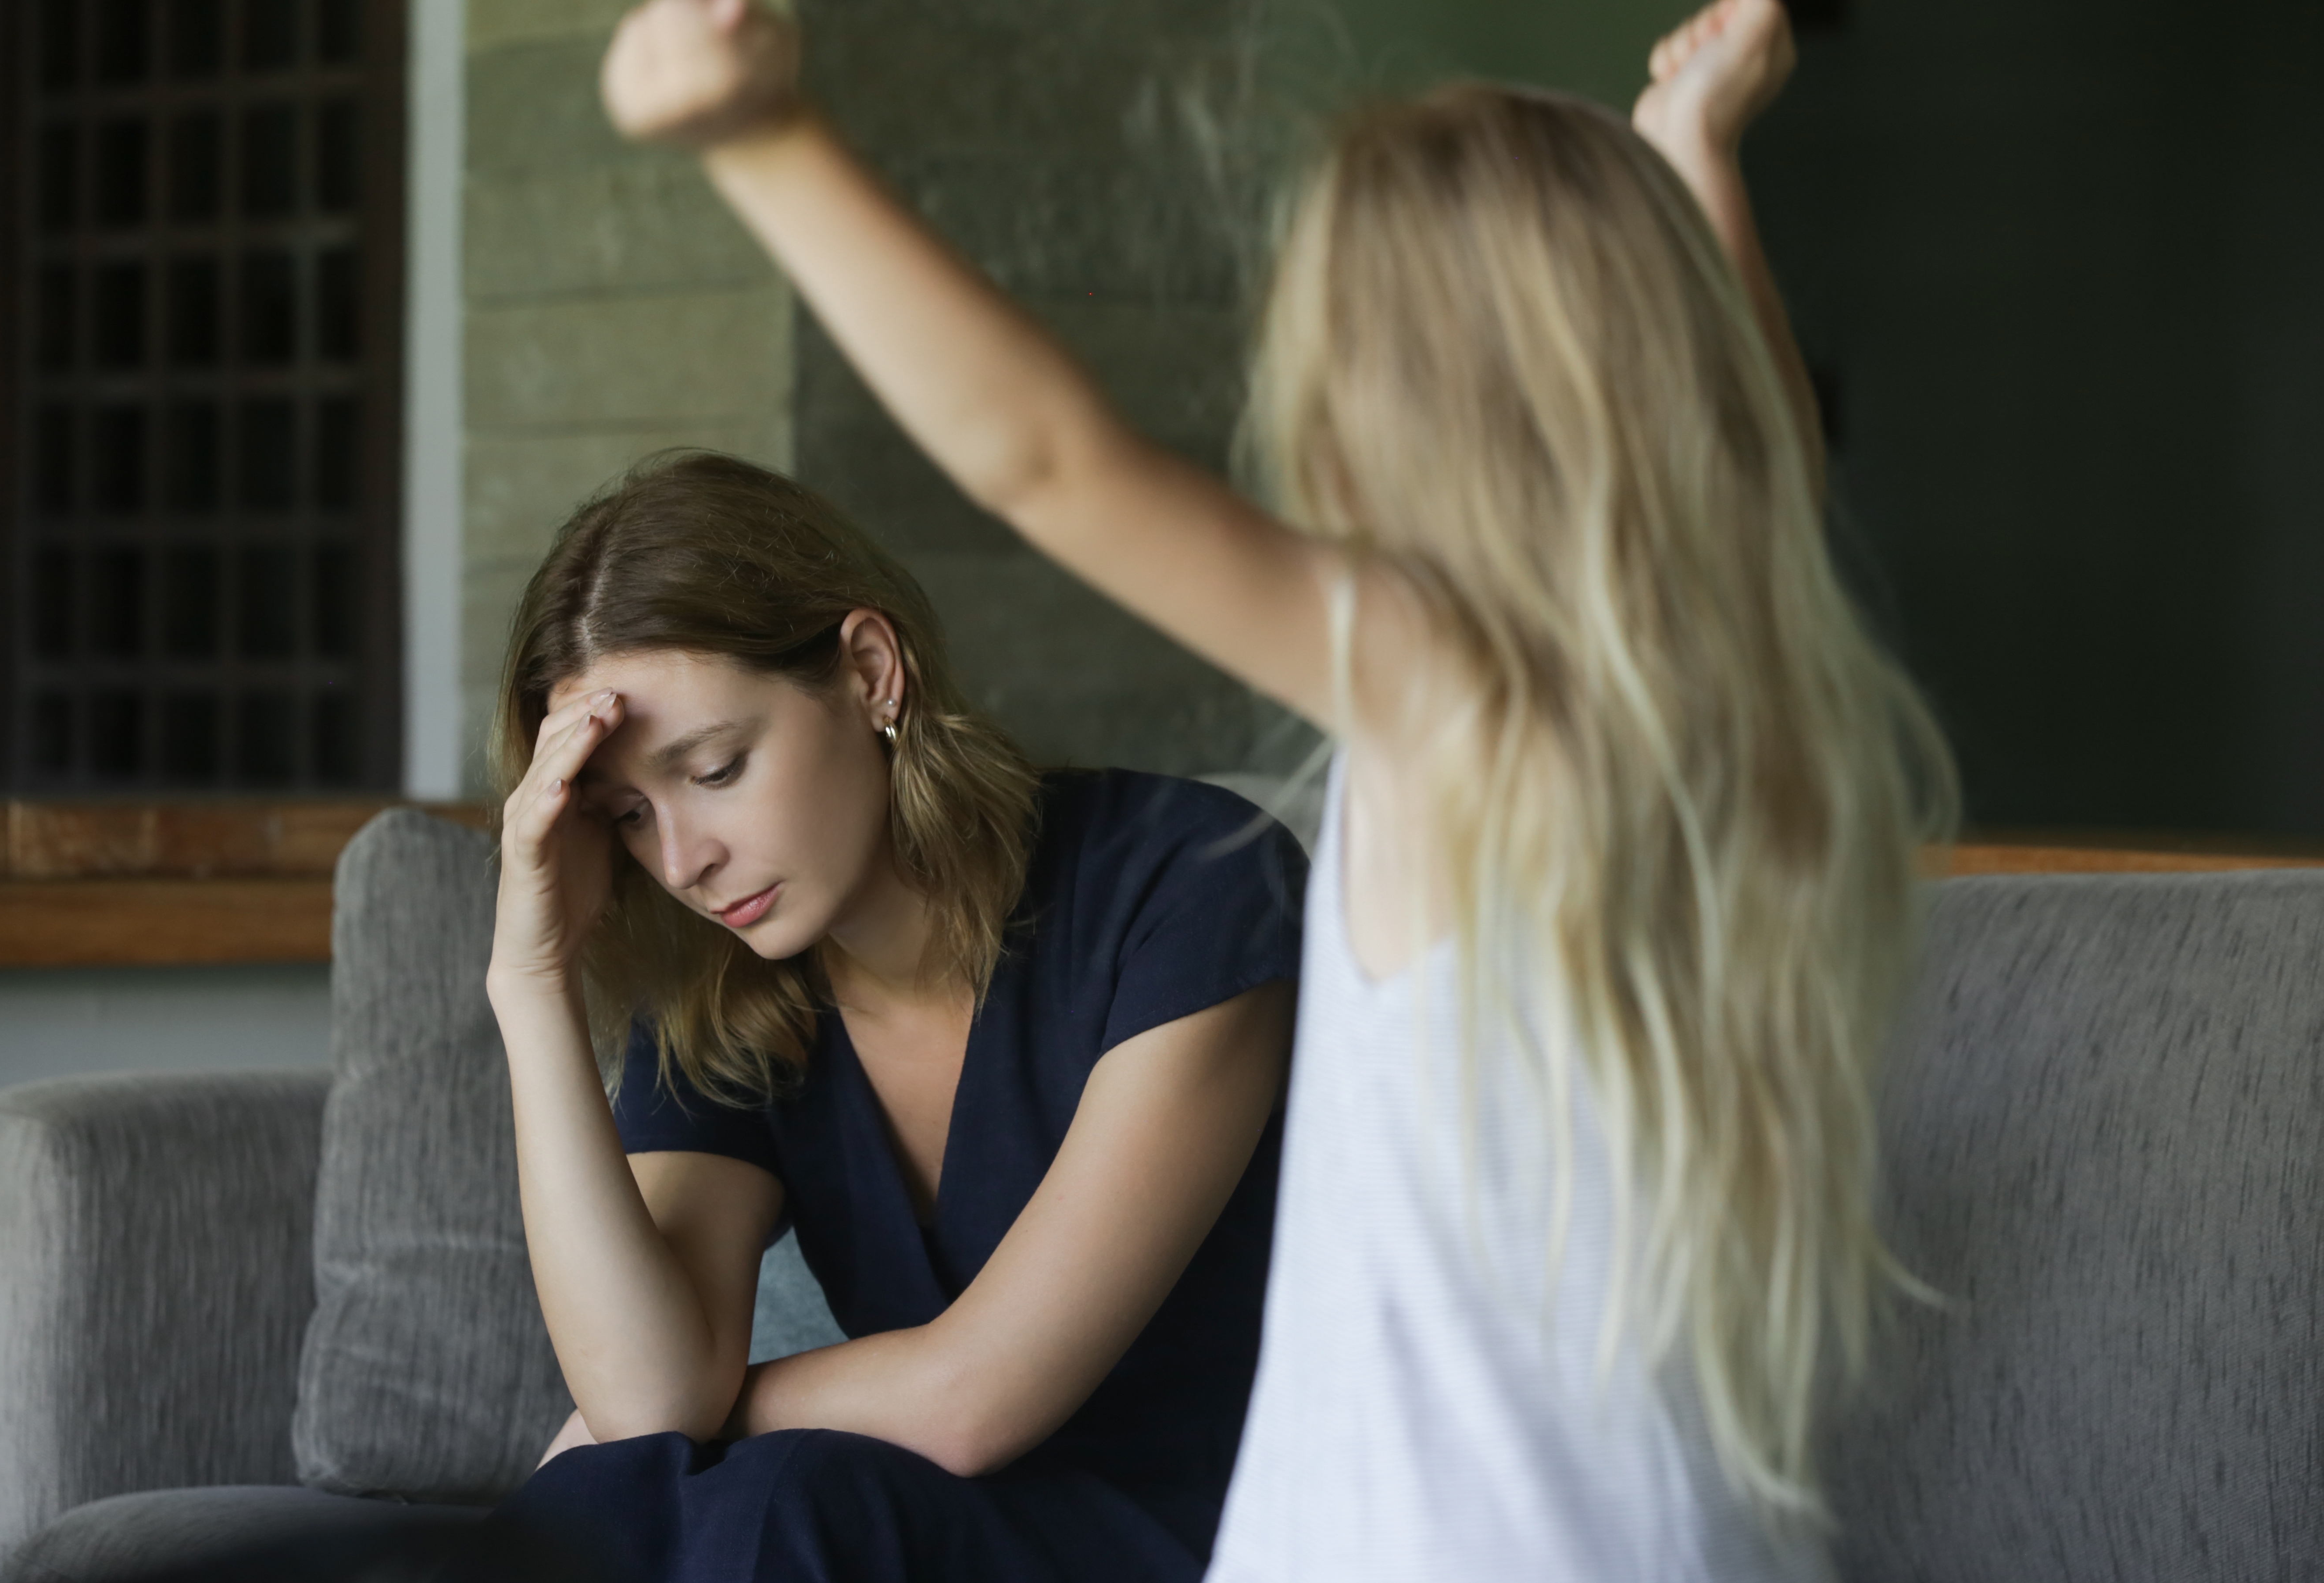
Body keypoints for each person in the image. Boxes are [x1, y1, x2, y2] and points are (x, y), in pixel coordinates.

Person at [596, 0, 1958, 1577]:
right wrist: (1696, 158)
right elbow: (1760, 480)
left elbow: (1051, 458)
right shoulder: (1731, 716)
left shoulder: (1449, 695)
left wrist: (760, 140)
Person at [479, 452, 1307, 1582]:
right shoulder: (731, 1000)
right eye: (628, 815)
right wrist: (530, 986)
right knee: (615, 1515)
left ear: (870, 671)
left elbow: (975, 1400)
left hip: (1221, 1532)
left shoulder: (1191, 886)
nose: (682, 861)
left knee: (761, 1503)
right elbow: (651, 1396)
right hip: (927, 1535)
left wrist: (691, 1432)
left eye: (715, 769)